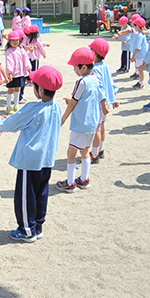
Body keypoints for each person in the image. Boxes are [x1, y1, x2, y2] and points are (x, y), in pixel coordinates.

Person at [0, 66, 63, 242]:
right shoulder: (56, 107)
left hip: (30, 160)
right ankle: (37, 226)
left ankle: (26, 229)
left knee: (25, 195)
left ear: (39, 89)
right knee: (41, 192)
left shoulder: (33, 108)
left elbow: (14, 122)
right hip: (46, 158)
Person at [56, 48, 108, 193]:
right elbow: (93, 98)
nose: (74, 69)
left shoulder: (81, 82)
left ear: (83, 67)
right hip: (92, 122)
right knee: (85, 152)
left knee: (71, 153)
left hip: (80, 123)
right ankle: (84, 179)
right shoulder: (95, 79)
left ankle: (71, 183)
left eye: (75, 66)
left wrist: (63, 119)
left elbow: (73, 102)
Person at [86, 38, 119, 164]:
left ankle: (94, 154)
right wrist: (113, 98)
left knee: (97, 129)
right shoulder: (105, 66)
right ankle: (101, 149)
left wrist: (103, 102)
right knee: (102, 126)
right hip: (106, 102)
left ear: (94, 52)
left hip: (99, 103)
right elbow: (111, 83)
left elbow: (99, 88)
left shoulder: (94, 69)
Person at [3, 31, 29, 115]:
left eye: (17, 40)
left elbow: (25, 59)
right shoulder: (9, 51)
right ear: (9, 41)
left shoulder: (21, 50)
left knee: (18, 88)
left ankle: (16, 105)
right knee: (10, 89)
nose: (15, 42)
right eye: (13, 40)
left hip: (20, 73)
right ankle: (9, 106)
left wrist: (28, 68)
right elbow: (9, 62)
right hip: (12, 74)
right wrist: (10, 73)